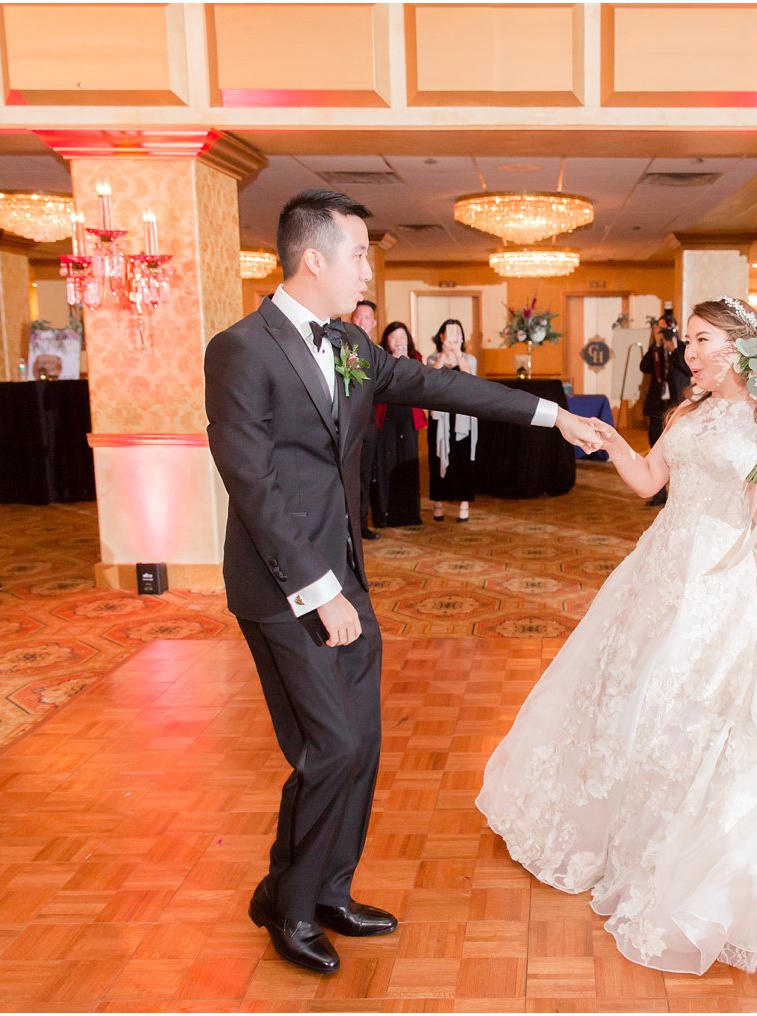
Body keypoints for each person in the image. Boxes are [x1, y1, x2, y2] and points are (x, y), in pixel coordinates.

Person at [203, 189, 603, 975]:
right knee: (332, 744)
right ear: (313, 259)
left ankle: (327, 889)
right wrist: (318, 593)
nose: (367, 267)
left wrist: (552, 418)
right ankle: (287, 905)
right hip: (286, 587)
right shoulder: (241, 349)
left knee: (361, 745)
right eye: (358, 253)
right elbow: (250, 482)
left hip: (347, 576)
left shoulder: (351, 344)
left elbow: (440, 387)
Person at [477, 297, 757, 975]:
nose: (688, 354)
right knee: (631, 696)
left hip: (725, 580)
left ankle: (696, 849)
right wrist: (611, 441)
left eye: (700, 341)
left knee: (709, 708)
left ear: (737, 346)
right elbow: (650, 481)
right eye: (689, 344)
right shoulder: (685, 413)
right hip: (659, 570)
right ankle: (622, 838)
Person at [370, 322, 426, 528]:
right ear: (386, 340)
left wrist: (406, 361)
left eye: (402, 337)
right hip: (385, 416)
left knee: (408, 463)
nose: (398, 341)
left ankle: (410, 513)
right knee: (385, 463)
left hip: (408, 416)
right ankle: (384, 514)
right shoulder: (379, 358)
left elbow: (419, 385)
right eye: (393, 337)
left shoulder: (416, 358)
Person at [425, 319, 479, 522]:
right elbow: (430, 379)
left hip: (463, 416)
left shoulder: (469, 359)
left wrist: (457, 353)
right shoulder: (432, 359)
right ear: (441, 336)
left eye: (458, 332)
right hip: (440, 415)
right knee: (437, 457)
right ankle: (438, 503)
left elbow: (470, 379)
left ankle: (464, 503)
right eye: (450, 332)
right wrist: (444, 355)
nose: (454, 336)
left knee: (463, 458)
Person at [638, 308, 691, 507]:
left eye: (666, 329)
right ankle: (659, 493)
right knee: (655, 446)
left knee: (679, 450)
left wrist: (674, 346)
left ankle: (679, 493)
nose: (663, 333)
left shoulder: (683, 348)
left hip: (677, 405)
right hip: (657, 405)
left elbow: (687, 368)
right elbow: (644, 368)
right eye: (659, 329)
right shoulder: (656, 350)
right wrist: (656, 345)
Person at [350, 299, 381, 541]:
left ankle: (361, 524)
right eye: (357, 316)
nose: (361, 321)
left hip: (368, 422)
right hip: (346, 424)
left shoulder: (378, 353)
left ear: (374, 323)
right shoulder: (343, 349)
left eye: (366, 317)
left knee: (365, 473)